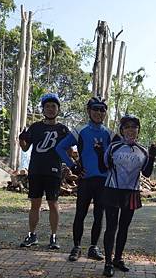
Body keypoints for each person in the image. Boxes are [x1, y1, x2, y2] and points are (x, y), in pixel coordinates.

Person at [94, 114, 156, 277]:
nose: (131, 130)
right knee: (111, 227)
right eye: (127, 127)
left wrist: (152, 155)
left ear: (138, 131)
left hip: (131, 192)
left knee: (124, 228)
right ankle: (107, 262)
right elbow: (103, 168)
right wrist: (99, 152)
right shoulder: (114, 147)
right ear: (122, 130)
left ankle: (118, 259)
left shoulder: (142, 150)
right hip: (112, 190)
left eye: (134, 127)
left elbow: (147, 172)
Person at [55, 96, 118, 262]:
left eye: (102, 109)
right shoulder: (80, 131)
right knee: (80, 214)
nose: (98, 112)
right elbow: (60, 148)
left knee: (99, 215)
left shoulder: (110, 134)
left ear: (105, 112)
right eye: (95, 109)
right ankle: (76, 247)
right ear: (89, 111)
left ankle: (93, 247)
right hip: (86, 180)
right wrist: (74, 166)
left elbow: (121, 151)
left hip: (103, 181)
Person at [18, 93, 70, 249]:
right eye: (47, 106)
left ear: (58, 109)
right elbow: (25, 148)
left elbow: (69, 151)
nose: (50, 109)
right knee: (35, 204)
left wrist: (70, 165)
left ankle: (53, 237)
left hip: (53, 171)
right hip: (35, 170)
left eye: (53, 106)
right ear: (43, 109)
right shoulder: (35, 127)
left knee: (53, 204)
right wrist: (21, 139)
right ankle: (32, 235)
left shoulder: (63, 129)